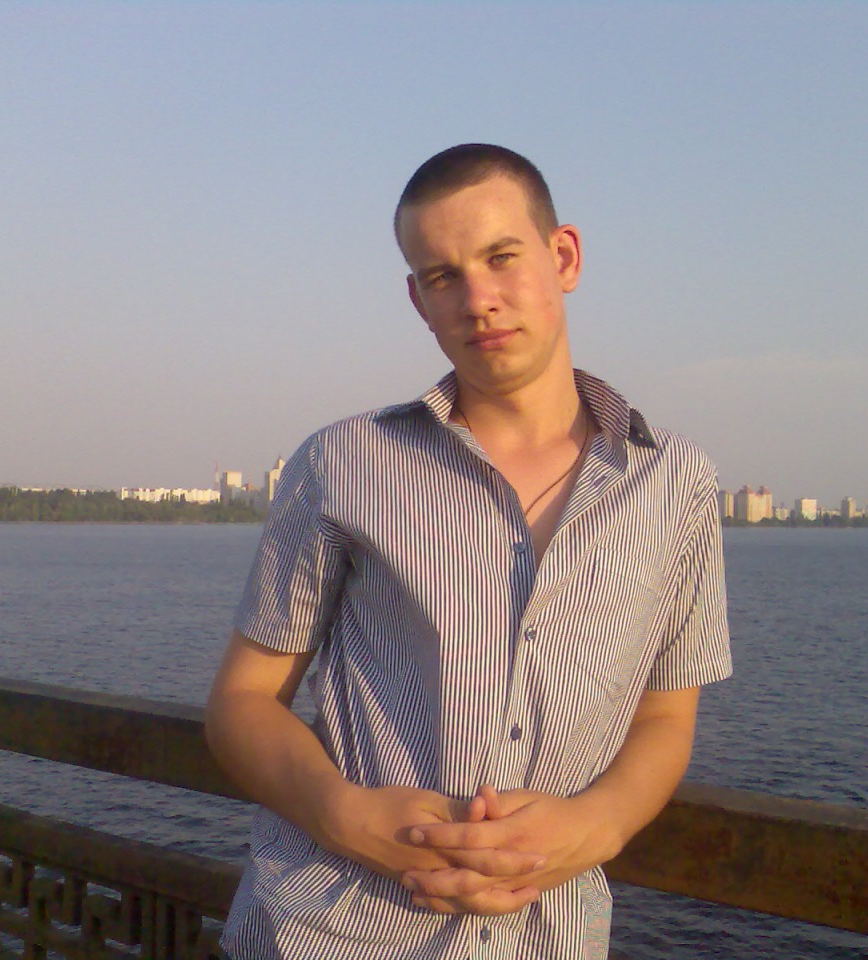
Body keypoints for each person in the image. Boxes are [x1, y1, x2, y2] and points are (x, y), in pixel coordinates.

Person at [205, 143, 732, 960]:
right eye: (444, 276)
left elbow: (665, 716)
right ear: (418, 299)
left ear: (564, 257)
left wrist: (596, 825)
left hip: (545, 937)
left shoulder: (675, 482)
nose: (478, 300)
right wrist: (346, 815)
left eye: (501, 258)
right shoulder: (345, 463)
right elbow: (243, 701)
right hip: (330, 930)